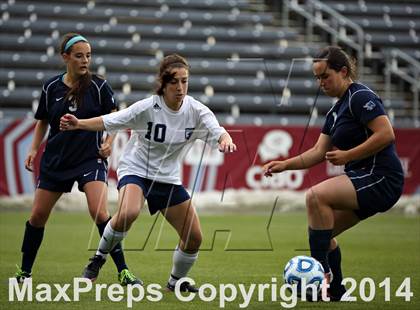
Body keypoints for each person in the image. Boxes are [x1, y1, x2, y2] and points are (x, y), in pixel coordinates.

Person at [60, 53, 237, 291]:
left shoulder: (197, 111)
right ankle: (98, 259)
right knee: (129, 212)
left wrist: (225, 140)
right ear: (163, 84)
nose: (180, 87)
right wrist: (79, 124)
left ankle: (175, 282)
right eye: (174, 81)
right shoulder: (147, 107)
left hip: (168, 178)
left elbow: (218, 131)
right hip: (137, 170)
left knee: (194, 238)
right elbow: (110, 120)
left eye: (184, 81)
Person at [263, 46, 404, 300]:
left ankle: (319, 285)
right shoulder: (335, 111)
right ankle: (336, 290)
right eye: (317, 78)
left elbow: (386, 134)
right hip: (364, 179)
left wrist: (348, 156)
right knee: (321, 234)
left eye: (325, 76)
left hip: (382, 177)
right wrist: (285, 164)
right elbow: (318, 152)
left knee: (316, 197)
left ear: (343, 71)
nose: (321, 83)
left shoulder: (359, 96)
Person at [15, 33, 141, 286]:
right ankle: (25, 274)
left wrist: (107, 142)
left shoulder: (98, 86)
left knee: (99, 211)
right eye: (79, 56)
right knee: (38, 216)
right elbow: (42, 120)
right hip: (56, 160)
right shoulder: (51, 87)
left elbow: (115, 116)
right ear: (65, 58)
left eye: (89, 56)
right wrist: (32, 149)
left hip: (89, 159)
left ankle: (123, 271)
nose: (85, 60)